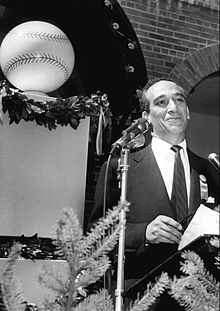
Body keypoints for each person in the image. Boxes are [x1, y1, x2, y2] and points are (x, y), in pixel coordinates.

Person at [87, 77, 220, 310]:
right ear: (146, 117)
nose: (173, 107)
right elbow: (97, 236)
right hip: (143, 296)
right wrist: (144, 234)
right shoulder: (122, 165)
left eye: (179, 100)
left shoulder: (210, 169)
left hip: (201, 297)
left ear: (187, 112)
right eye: (161, 102)